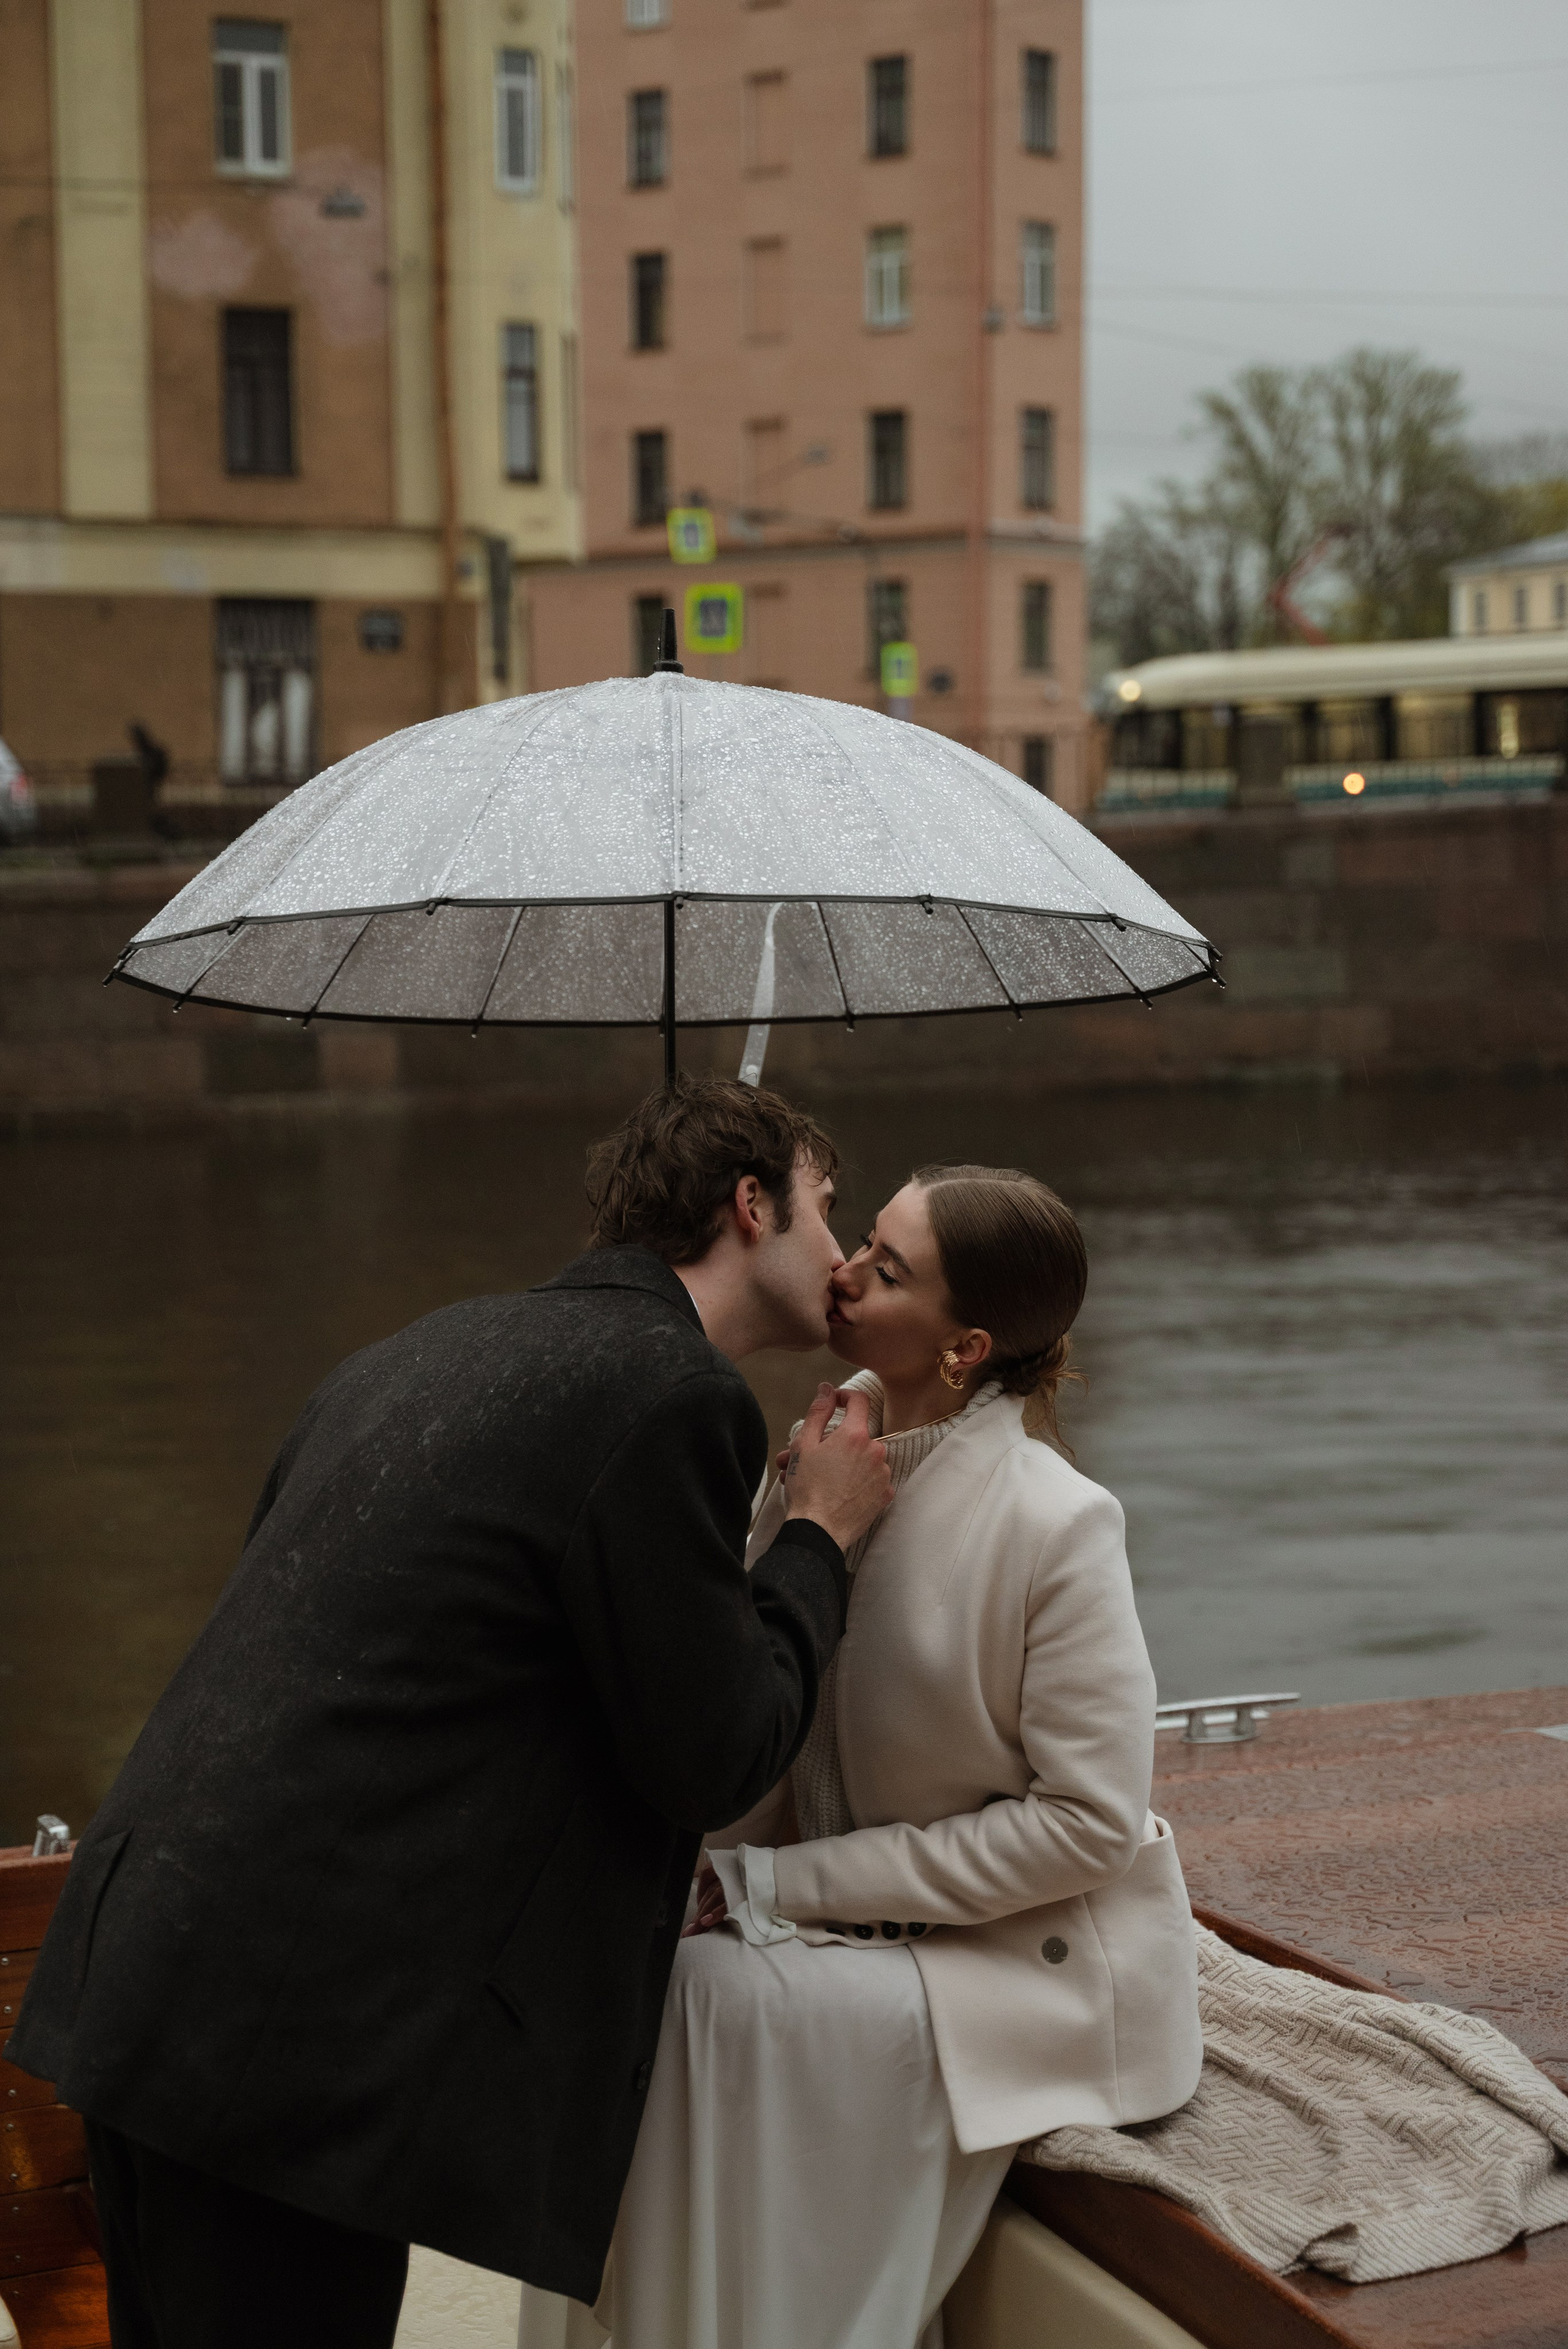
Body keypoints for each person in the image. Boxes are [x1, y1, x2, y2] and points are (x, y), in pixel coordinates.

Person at [6, 1076, 892, 2349]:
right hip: (292, 2048)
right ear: (747, 1206)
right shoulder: (665, 1391)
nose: (844, 1247)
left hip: (149, 1974)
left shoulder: (409, 1353)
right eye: (825, 1206)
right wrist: (815, 1533)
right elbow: (714, 1750)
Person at [562, 1163, 1203, 2349]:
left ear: (962, 1350)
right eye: (863, 1238)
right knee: (636, 1963)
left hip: (1018, 1963)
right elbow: (758, 1725)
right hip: (856, 1932)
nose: (843, 1271)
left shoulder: (1056, 1521)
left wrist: (775, 1888)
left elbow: (1087, 1825)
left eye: (888, 1269)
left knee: (709, 1996)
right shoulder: (816, 1451)